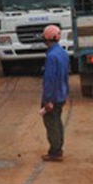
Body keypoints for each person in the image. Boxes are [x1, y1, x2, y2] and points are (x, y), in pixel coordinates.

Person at [40, 24, 70, 162]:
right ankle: (58, 149)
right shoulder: (63, 53)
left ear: (47, 38)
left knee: (51, 123)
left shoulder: (51, 57)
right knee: (57, 122)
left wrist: (47, 100)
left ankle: (55, 151)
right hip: (61, 95)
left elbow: (49, 80)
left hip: (53, 97)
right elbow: (65, 76)